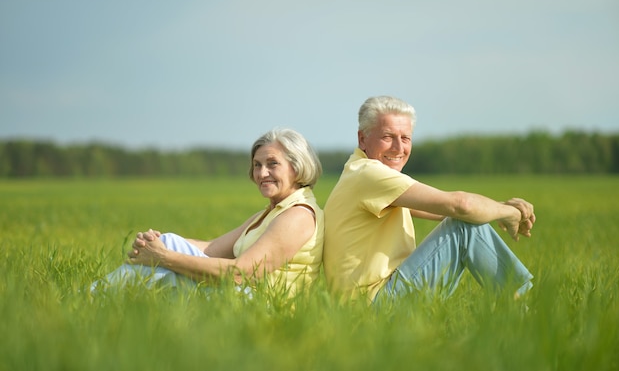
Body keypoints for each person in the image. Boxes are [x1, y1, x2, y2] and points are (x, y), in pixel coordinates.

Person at [323, 96, 535, 304]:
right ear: (362, 139)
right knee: (463, 227)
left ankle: (518, 306)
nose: (398, 148)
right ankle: (520, 308)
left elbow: (444, 209)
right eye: (387, 137)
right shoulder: (369, 175)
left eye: (405, 138)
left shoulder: (359, 173)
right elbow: (460, 206)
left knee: (464, 219)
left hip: (369, 303)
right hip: (375, 306)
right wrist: (510, 213)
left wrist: (500, 207)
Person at [91, 128, 324, 299]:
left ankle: (90, 297)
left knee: (163, 267)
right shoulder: (271, 212)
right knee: (168, 245)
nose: (262, 173)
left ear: (297, 166)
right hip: (242, 297)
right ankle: (98, 300)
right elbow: (211, 249)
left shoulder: (298, 216)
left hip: (262, 307)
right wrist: (157, 244)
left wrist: (164, 257)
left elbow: (241, 273)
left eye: (272, 164)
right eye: (257, 165)